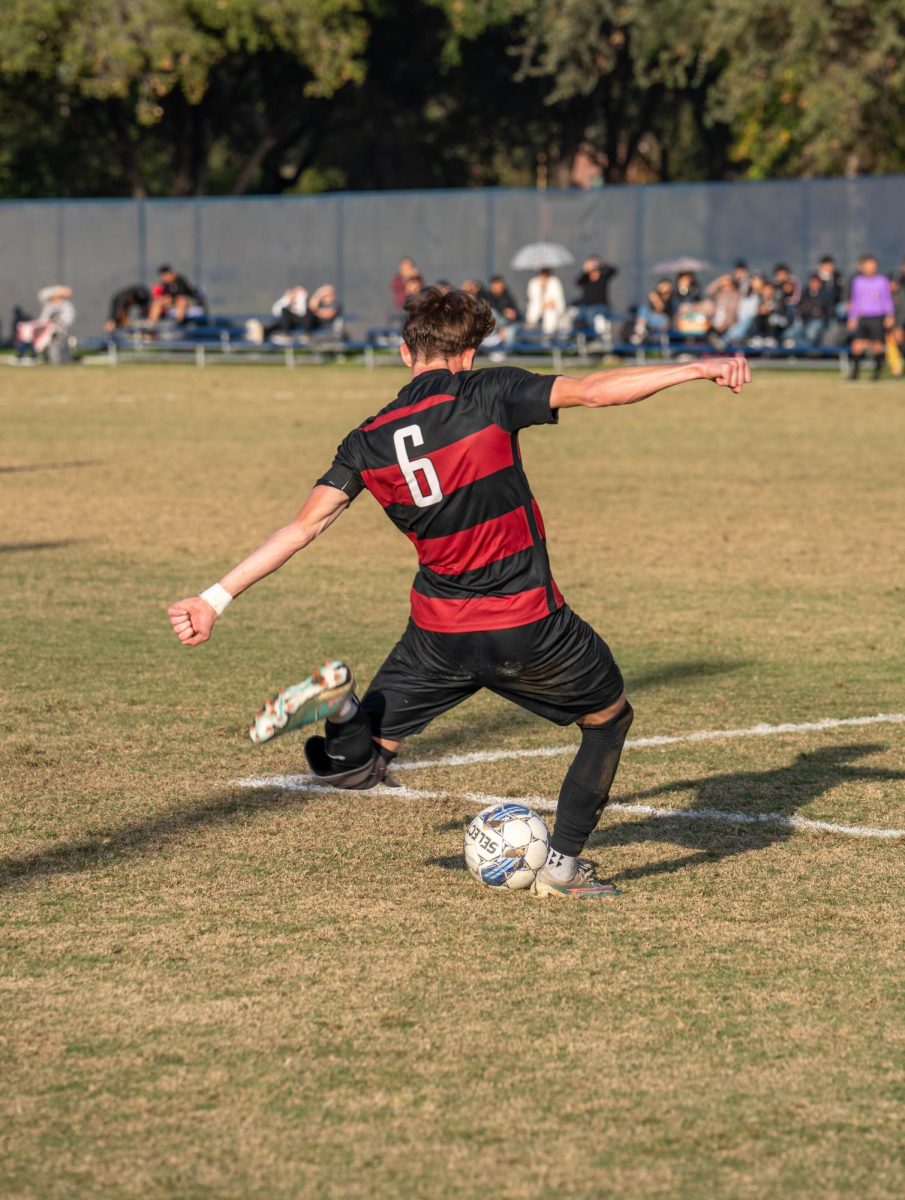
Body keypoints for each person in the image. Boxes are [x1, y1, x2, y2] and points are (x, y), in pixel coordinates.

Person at [167, 287, 752, 900]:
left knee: (358, 767)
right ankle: (564, 868)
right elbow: (597, 389)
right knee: (608, 719)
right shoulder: (489, 391)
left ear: (403, 352)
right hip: (528, 625)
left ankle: (340, 706)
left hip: (438, 637)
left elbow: (302, 527)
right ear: (468, 355)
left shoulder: (365, 440)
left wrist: (214, 598)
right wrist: (697, 367)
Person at [846, 254, 895, 380]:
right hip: (863, 317)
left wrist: (889, 314)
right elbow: (855, 301)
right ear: (861, 267)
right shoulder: (857, 281)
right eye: (868, 265)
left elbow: (887, 299)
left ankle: (876, 373)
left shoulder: (882, 280)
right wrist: (852, 317)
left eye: (873, 265)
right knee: (857, 345)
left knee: (878, 345)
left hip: (877, 317)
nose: (871, 268)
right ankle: (855, 373)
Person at [15, 284, 76, 362]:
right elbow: (42, 295)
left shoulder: (66, 306)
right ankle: (25, 354)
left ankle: (61, 360)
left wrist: (55, 323)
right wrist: (58, 289)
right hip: (44, 329)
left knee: (58, 350)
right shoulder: (49, 305)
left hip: (59, 331)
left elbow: (68, 319)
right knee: (27, 331)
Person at [784, 274, 833, 347]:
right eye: (812, 282)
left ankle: (806, 349)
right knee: (789, 334)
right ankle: (800, 347)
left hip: (818, 320)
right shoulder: (805, 293)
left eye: (816, 282)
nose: (814, 284)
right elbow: (800, 307)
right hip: (804, 320)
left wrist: (819, 312)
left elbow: (829, 310)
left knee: (811, 334)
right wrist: (807, 309)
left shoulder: (825, 294)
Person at [573, 256, 618, 334]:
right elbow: (578, 282)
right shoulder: (586, 279)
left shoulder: (604, 277)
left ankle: (594, 337)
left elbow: (614, 270)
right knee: (578, 316)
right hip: (586, 307)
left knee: (591, 313)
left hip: (601, 307)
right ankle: (581, 337)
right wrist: (585, 271)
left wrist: (599, 264)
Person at [525, 267, 566, 336]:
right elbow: (532, 298)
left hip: (551, 311)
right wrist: (541, 289)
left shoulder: (554, 282)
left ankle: (547, 338)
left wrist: (551, 304)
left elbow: (559, 299)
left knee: (550, 313)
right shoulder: (533, 282)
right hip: (536, 312)